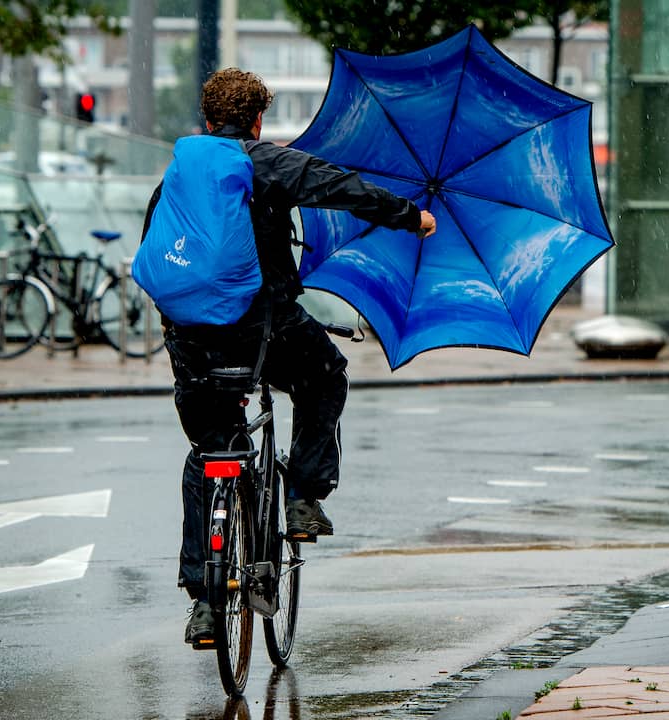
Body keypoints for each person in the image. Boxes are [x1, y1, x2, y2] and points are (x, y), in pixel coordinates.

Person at [142, 68, 437, 647]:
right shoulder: (263, 162)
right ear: (256, 121)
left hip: (194, 343)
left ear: (206, 121)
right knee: (325, 374)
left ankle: (205, 605)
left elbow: (159, 256)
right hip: (263, 334)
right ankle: (303, 496)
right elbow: (342, 187)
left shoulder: (178, 177)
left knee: (212, 451)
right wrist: (411, 217)